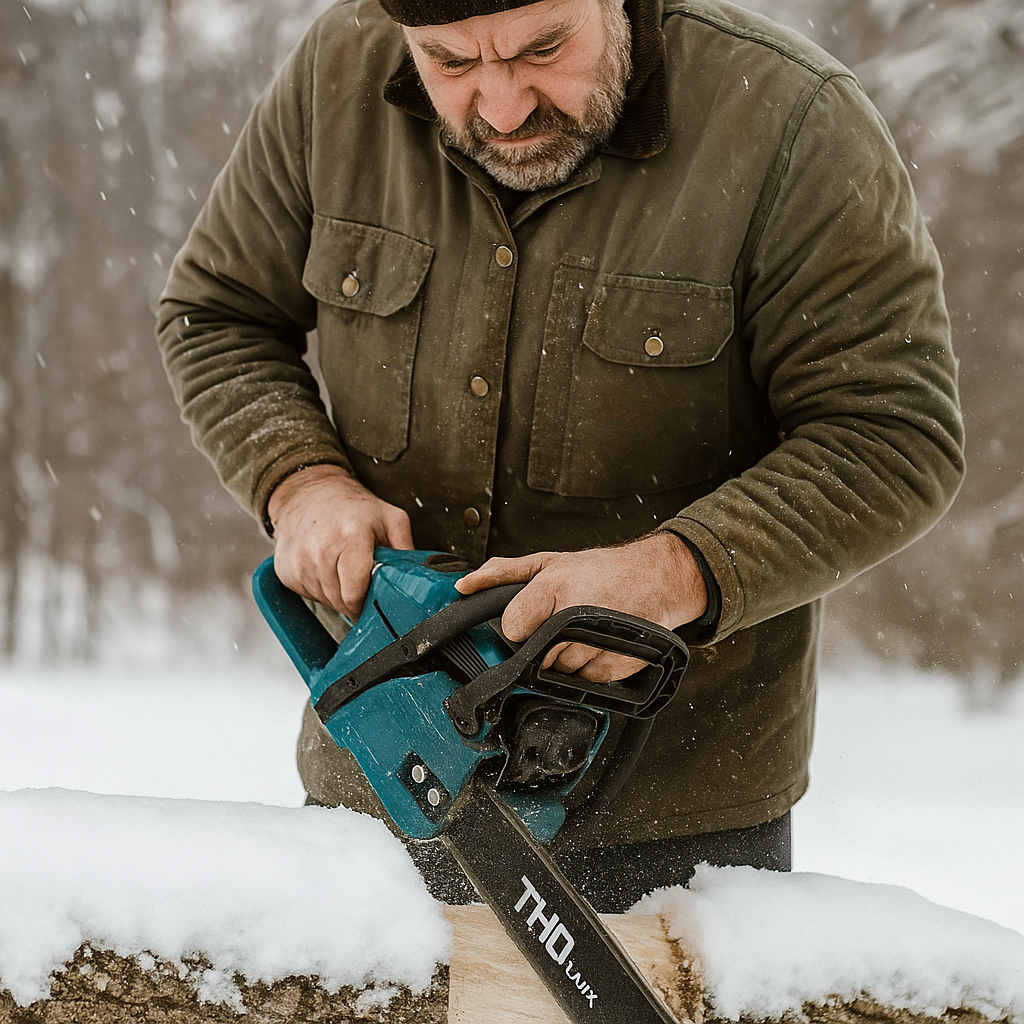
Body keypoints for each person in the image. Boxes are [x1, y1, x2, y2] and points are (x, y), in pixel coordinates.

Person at [157, 0, 964, 911]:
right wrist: (299, 481)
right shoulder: (333, 77)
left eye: (544, 49)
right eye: (449, 62)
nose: (501, 109)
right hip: (378, 779)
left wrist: (672, 575)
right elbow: (214, 315)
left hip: (671, 821)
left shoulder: (790, 119)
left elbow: (894, 433)